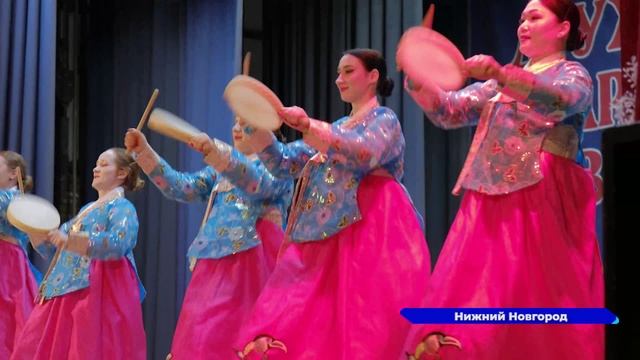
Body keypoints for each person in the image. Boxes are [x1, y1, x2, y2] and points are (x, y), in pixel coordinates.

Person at [403, 1, 603, 359]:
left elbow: (561, 100)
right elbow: (450, 110)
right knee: (477, 293)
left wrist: (505, 74)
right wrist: (420, 75)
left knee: (535, 295)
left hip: (542, 195)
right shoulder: (496, 85)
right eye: (522, 18)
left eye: (535, 17)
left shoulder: (571, 74)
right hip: (490, 198)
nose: (523, 24)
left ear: (562, 29)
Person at [235, 48, 431, 359]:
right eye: (338, 73)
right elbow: (284, 163)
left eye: (348, 71)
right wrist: (254, 124)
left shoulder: (384, 120)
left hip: (369, 230)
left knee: (363, 325)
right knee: (302, 322)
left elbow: (364, 152)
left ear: (373, 76)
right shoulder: (337, 127)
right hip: (321, 238)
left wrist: (309, 126)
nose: (339, 79)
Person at [124, 117, 293, 359]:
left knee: (243, 336)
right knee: (202, 337)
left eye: (245, 122)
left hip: (253, 263)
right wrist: (144, 152)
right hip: (213, 264)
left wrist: (217, 153)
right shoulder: (220, 170)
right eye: (235, 122)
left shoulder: (279, 166)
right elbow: (182, 186)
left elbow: (259, 185)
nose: (236, 128)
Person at [11, 147, 146, 360]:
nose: (95, 168)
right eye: (96, 164)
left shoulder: (121, 207)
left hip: (96, 289)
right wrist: (32, 227)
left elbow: (120, 243)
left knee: (85, 348)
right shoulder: (87, 209)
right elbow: (51, 248)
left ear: (122, 173)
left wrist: (71, 240)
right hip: (64, 289)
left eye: (104, 164)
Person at [0, 151, 40, 358]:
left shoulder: (11, 198)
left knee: (6, 319)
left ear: (13, 174)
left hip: (6, 264)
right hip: (9, 260)